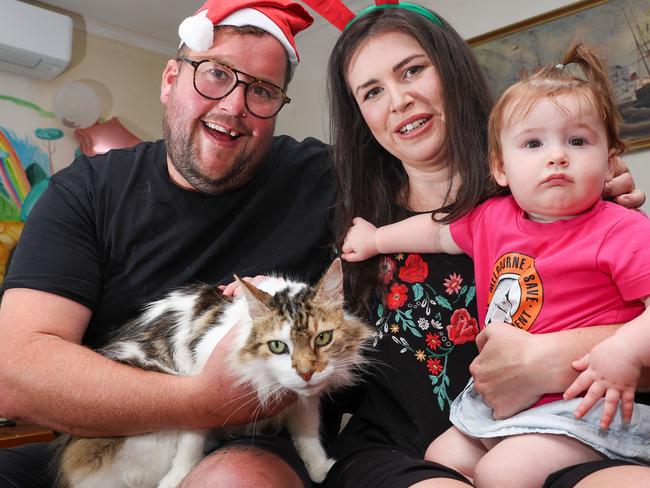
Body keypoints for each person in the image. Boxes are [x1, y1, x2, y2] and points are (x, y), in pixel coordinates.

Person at [310, 2, 650, 487]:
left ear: (450, 69)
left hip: (566, 430)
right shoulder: (349, 212)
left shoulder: (555, 200)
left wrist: (545, 361)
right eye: (372, 92)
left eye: (412, 70)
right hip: (403, 451)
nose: (399, 99)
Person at [0, 1, 336, 487]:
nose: (234, 106)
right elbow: (15, 370)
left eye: (261, 90)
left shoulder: (320, 178)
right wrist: (202, 400)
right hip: (110, 441)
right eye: (216, 74)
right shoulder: (86, 192)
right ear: (170, 80)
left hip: (252, 445)